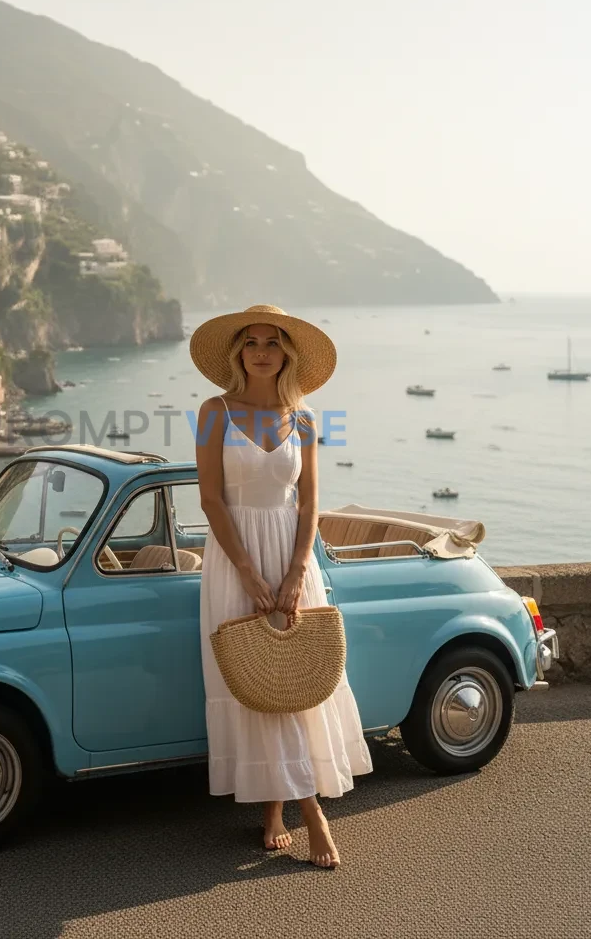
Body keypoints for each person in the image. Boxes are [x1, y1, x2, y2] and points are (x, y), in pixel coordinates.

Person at [191, 304, 373, 869]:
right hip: (233, 560)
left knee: (296, 682)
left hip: (295, 562)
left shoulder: (306, 418)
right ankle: (302, 812)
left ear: (287, 353)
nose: (262, 350)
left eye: (272, 342)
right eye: (251, 342)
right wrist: (247, 570)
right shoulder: (213, 412)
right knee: (256, 685)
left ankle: (294, 809)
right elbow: (211, 500)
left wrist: (296, 572)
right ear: (238, 352)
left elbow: (310, 502)